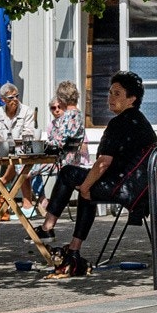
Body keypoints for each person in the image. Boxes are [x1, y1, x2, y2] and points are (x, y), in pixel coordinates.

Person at [54, 71, 157, 278]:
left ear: (132, 98)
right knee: (87, 186)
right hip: (141, 188)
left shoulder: (119, 123)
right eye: (110, 92)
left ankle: (50, 227)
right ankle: (73, 249)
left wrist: (85, 186)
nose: (110, 97)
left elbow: (103, 163)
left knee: (69, 174)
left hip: (125, 189)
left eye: (117, 93)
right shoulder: (141, 121)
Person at [38, 81, 91, 240]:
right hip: (71, 161)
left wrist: (41, 148)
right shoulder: (78, 114)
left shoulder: (68, 116)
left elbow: (59, 141)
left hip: (62, 163)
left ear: (61, 99)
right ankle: (46, 224)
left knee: (25, 171)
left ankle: (43, 222)